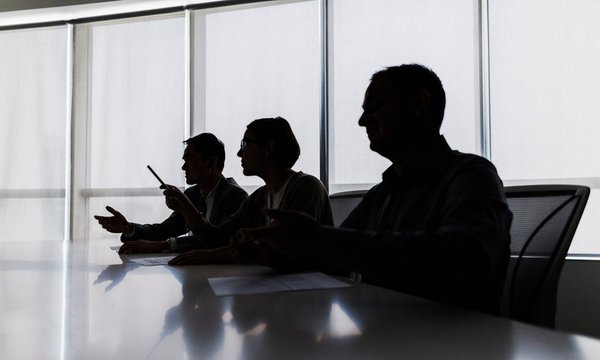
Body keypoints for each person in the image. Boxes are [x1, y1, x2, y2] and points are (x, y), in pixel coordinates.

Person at [232, 64, 513, 315]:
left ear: (419, 102)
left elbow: (464, 259)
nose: (362, 121)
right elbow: (334, 258)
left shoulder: (472, 175)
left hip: (459, 354)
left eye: (374, 106)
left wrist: (317, 240)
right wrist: (273, 254)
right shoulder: (382, 193)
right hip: (389, 344)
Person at [163, 116, 333, 266]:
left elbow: (290, 253)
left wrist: (215, 255)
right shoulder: (259, 197)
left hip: (311, 294)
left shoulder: (308, 187)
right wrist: (185, 207)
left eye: (245, 144)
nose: (239, 153)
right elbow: (218, 238)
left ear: (268, 148)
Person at [94, 133, 248, 253]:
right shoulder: (193, 194)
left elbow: (218, 239)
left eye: (189, 159)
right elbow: (164, 230)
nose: (183, 167)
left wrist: (164, 245)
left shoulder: (236, 197)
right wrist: (128, 227)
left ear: (211, 162)